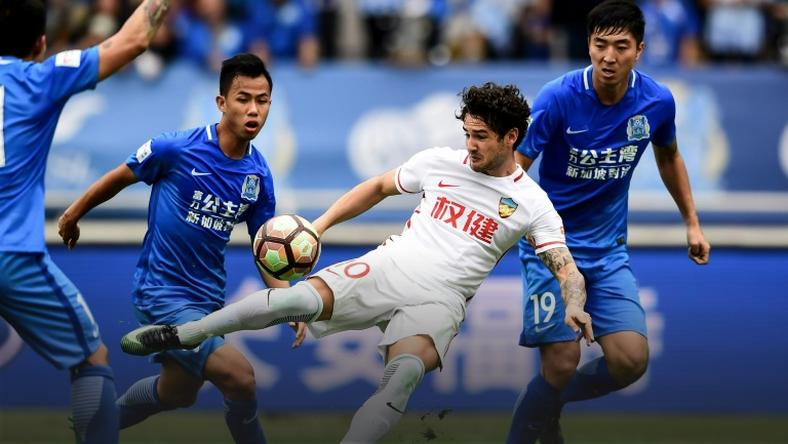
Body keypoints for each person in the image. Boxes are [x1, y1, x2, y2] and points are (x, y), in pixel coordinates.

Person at [118, 82, 595, 443]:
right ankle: (184, 334)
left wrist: (574, 302)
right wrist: (319, 227)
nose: (470, 146)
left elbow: (564, 265)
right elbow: (377, 187)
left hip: (441, 299)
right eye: (467, 133)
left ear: (511, 137)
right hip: (390, 265)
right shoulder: (439, 162)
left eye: (482, 137)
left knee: (401, 378)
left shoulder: (531, 203)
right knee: (297, 300)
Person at [506, 2, 711, 443]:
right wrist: (504, 225)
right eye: (600, 45)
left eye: (621, 46)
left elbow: (670, 156)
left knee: (630, 361)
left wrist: (691, 223)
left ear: (639, 50)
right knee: (560, 363)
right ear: (589, 45)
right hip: (550, 247)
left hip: (607, 250)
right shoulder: (558, 97)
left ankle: (547, 405)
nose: (609, 57)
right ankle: (535, 420)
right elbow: (516, 166)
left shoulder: (656, 101)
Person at [57, 54, 286, 444]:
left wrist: (288, 298)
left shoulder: (259, 175)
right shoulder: (176, 148)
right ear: (221, 103)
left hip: (208, 300)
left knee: (177, 393)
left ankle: (94, 426)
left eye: (261, 101)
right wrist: (74, 213)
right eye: (243, 98)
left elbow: (264, 245)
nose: (253, 109)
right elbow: (120, 176)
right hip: (160, 290)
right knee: (241, 379)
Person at [0, 0, 172, 442]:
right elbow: (133, 40)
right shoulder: (40, 76)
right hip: (10, 256)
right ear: (40, 44)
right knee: (91, 359)